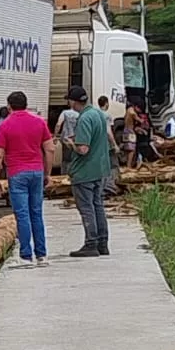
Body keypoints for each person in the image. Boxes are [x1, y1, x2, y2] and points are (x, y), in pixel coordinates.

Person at [0, 90, 53, 266]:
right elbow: (49, 149)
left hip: (17, 173)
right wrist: (47, 173)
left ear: (9, 106)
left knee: (22, 215)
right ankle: (42, 255)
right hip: (36, 172)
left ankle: (26, 255)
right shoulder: (39, 122)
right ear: (26, 105)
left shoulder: (5, 125)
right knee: (37, 213)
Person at [65, 87, 111, 258]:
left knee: (86, 208)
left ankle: (90, 243)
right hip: (99, 169)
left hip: (85, 171)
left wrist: (70, 143)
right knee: (98, 206)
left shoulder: (84, 118)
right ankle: (102, 243)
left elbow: (83, 149)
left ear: (73, 101)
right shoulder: (98, 114)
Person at [53, 101, 80, 174]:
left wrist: (55, 136)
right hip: (76, 140)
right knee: (75, 160)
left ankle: (65, 177)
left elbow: (58, 124)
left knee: (65, 161)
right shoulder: (79, 114)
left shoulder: (65, 113)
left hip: (66, 140)